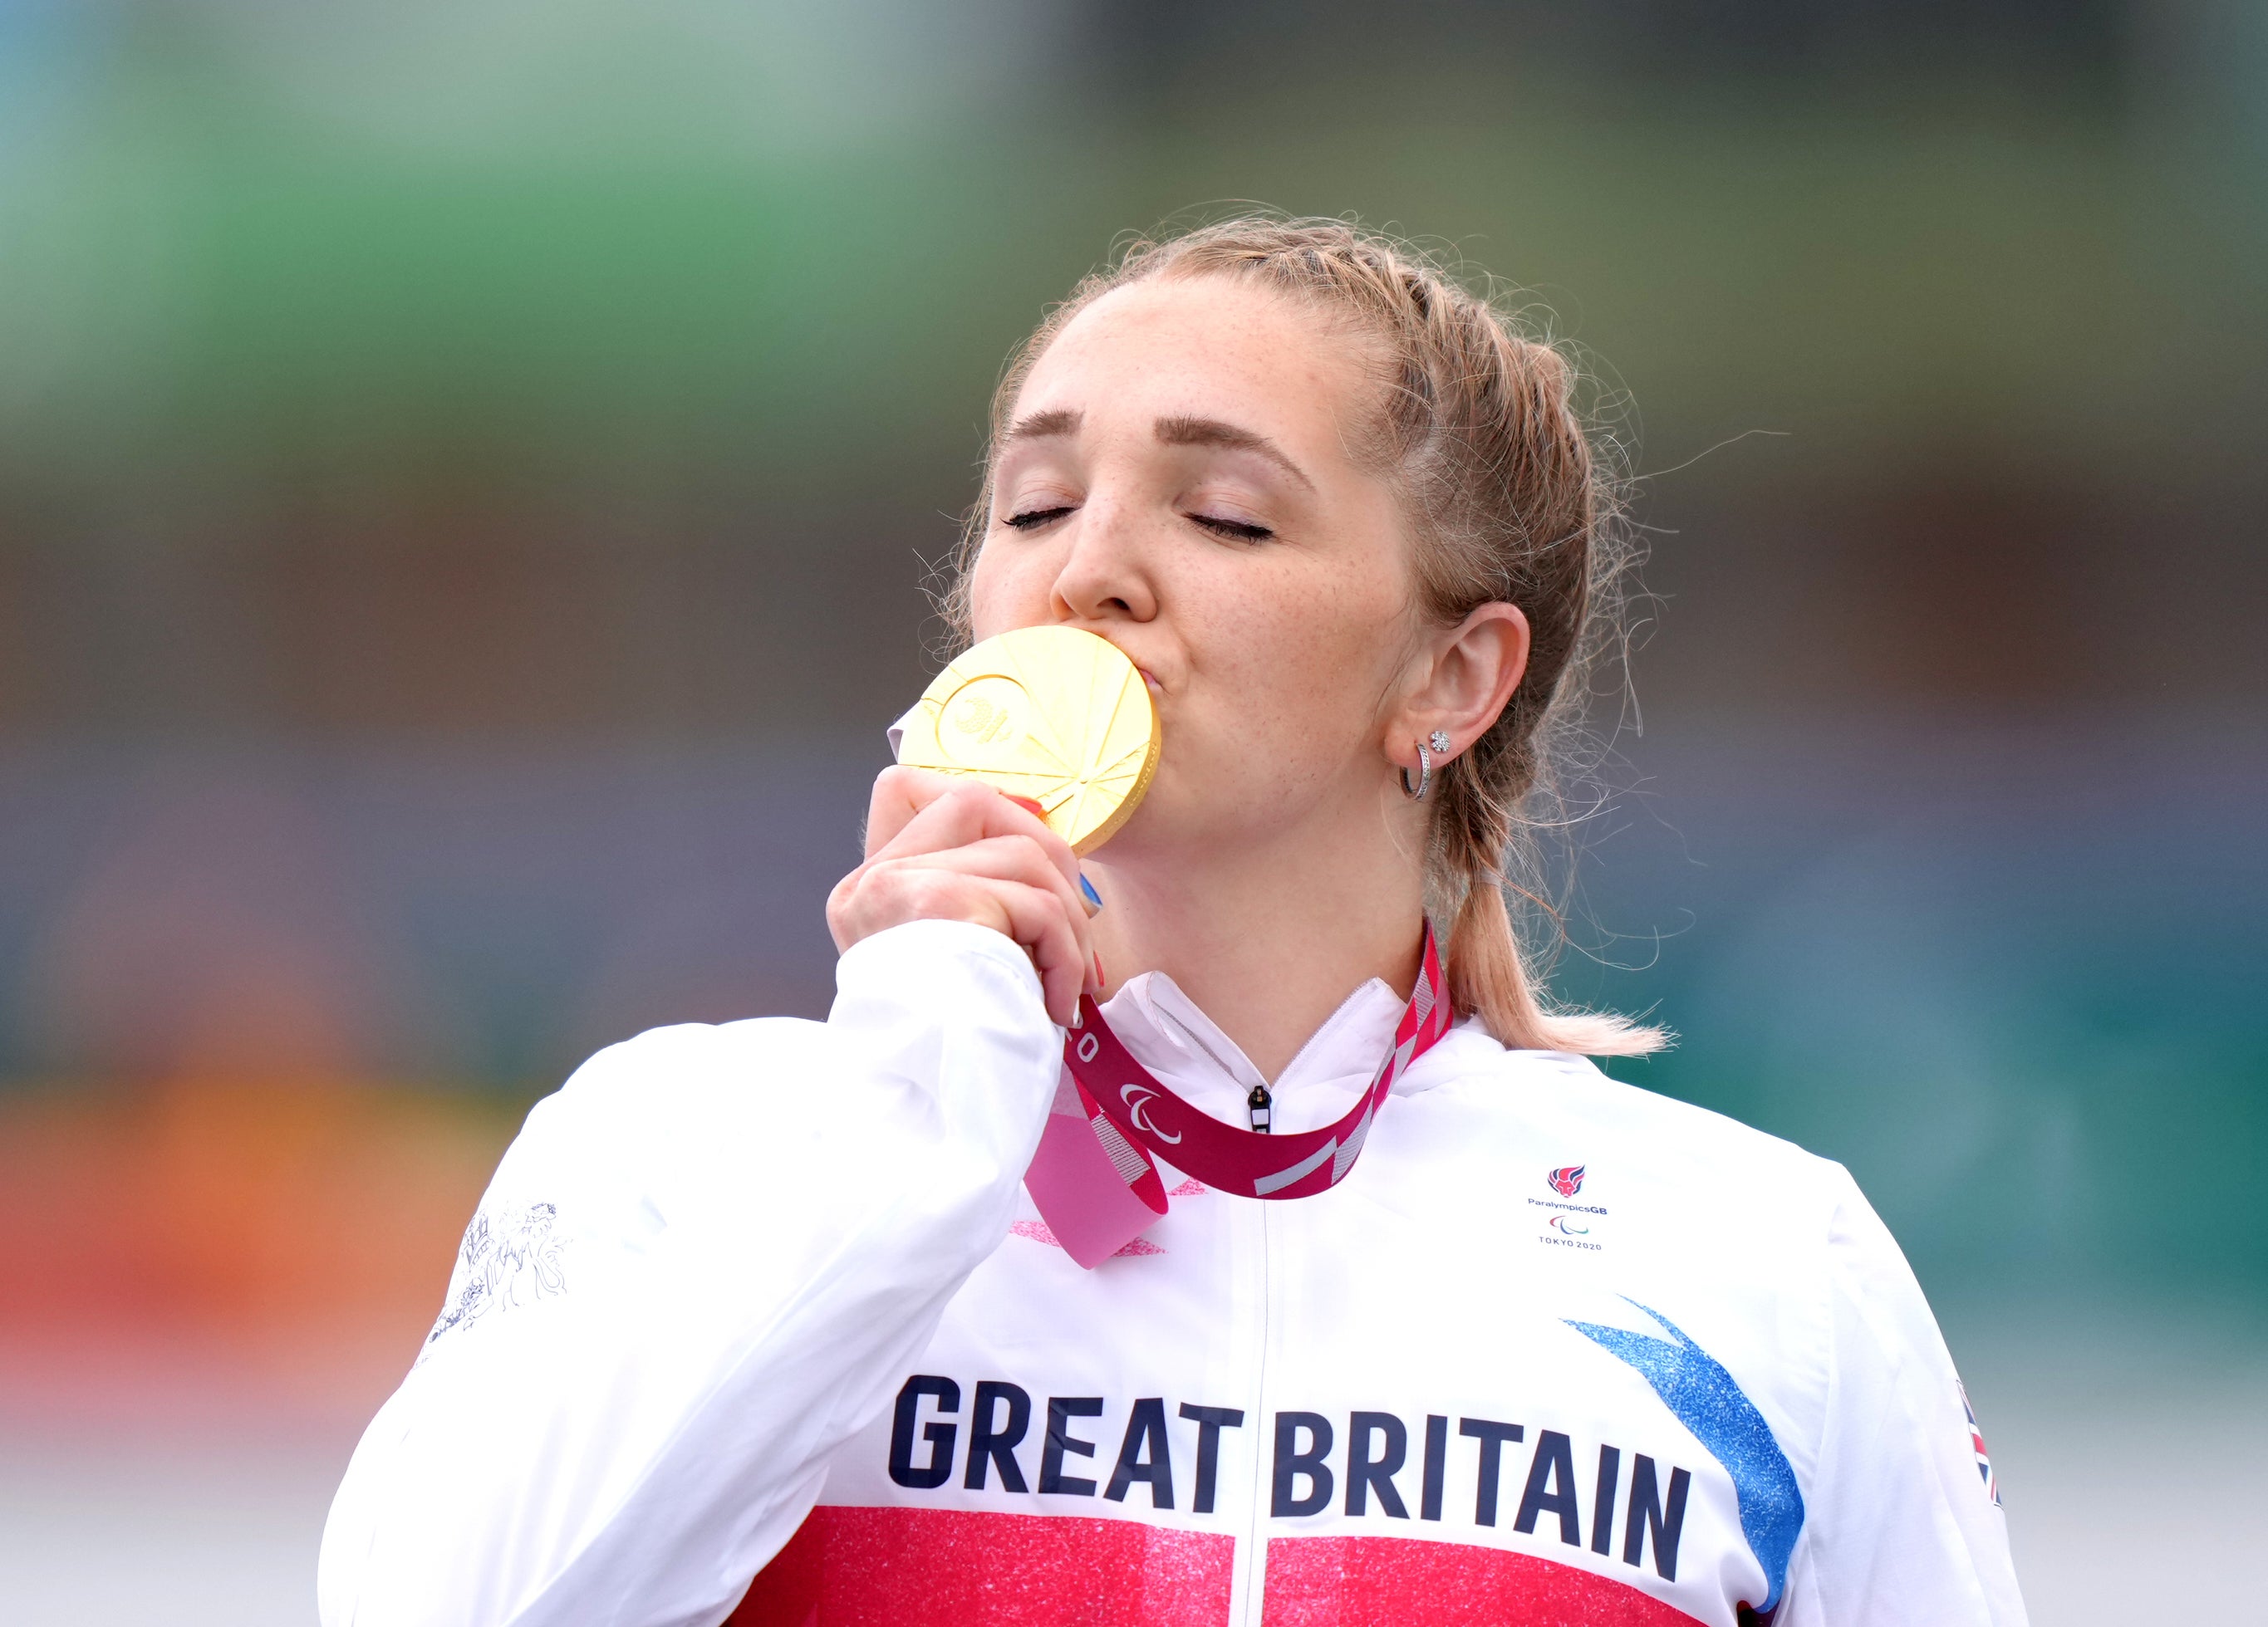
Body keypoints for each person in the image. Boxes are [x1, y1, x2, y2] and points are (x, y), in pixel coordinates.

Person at [317, 217, 2026, 1627]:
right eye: (1037, 505)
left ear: (1451, 673)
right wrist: (916, 1119)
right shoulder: (692, 1146)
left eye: (1221, 512)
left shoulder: (1763, 1265)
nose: (1090, 571)